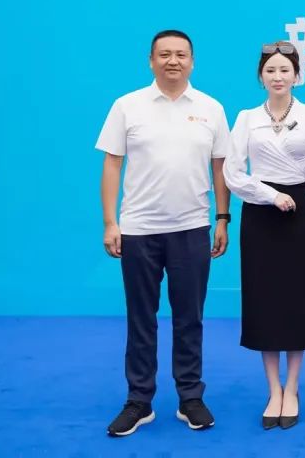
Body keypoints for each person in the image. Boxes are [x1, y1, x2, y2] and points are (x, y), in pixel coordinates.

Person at [98, 29, 231, 437]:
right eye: (165, 54)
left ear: (192, 61)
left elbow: (221, 167)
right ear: (151, 60)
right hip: (139, 229)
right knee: (141, 318)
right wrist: (111, 222)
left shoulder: (211, 108)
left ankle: (190, 397)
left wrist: (222, 218)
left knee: (190, 318)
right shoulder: (128, 106)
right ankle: (139, 401)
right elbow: (112, 164)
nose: (173, 61)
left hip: (192, 228)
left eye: (181, 54)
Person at [223, 41, 305, 430]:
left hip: (297, 212)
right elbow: (233, 172)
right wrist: (271, 195)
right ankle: (273, 390)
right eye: (271, 70)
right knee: (263, 300)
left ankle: (293, 388)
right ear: (260, 76)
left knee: (295, 300)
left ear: (297, 75)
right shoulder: (247, 117)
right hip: (259, 212)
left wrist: (293, 195)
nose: (278, 76)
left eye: (285, 70)